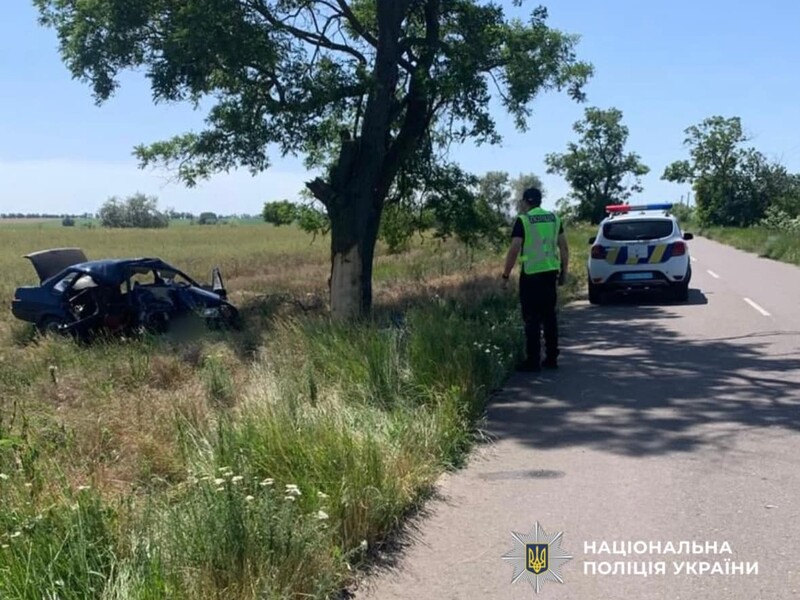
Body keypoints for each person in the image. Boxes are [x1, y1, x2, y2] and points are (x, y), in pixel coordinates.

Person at [502, 187, 569, 372]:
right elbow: (564, 248)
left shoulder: (523, 220)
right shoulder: (554, 219)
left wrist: (505, 275)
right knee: (549, 317)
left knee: (531, 319)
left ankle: (533, 361)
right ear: (540, 200)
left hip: (531, 276)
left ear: (525, 202)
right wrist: (564, 272)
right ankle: (552, 357)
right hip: (550, 274)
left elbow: (514, 249)